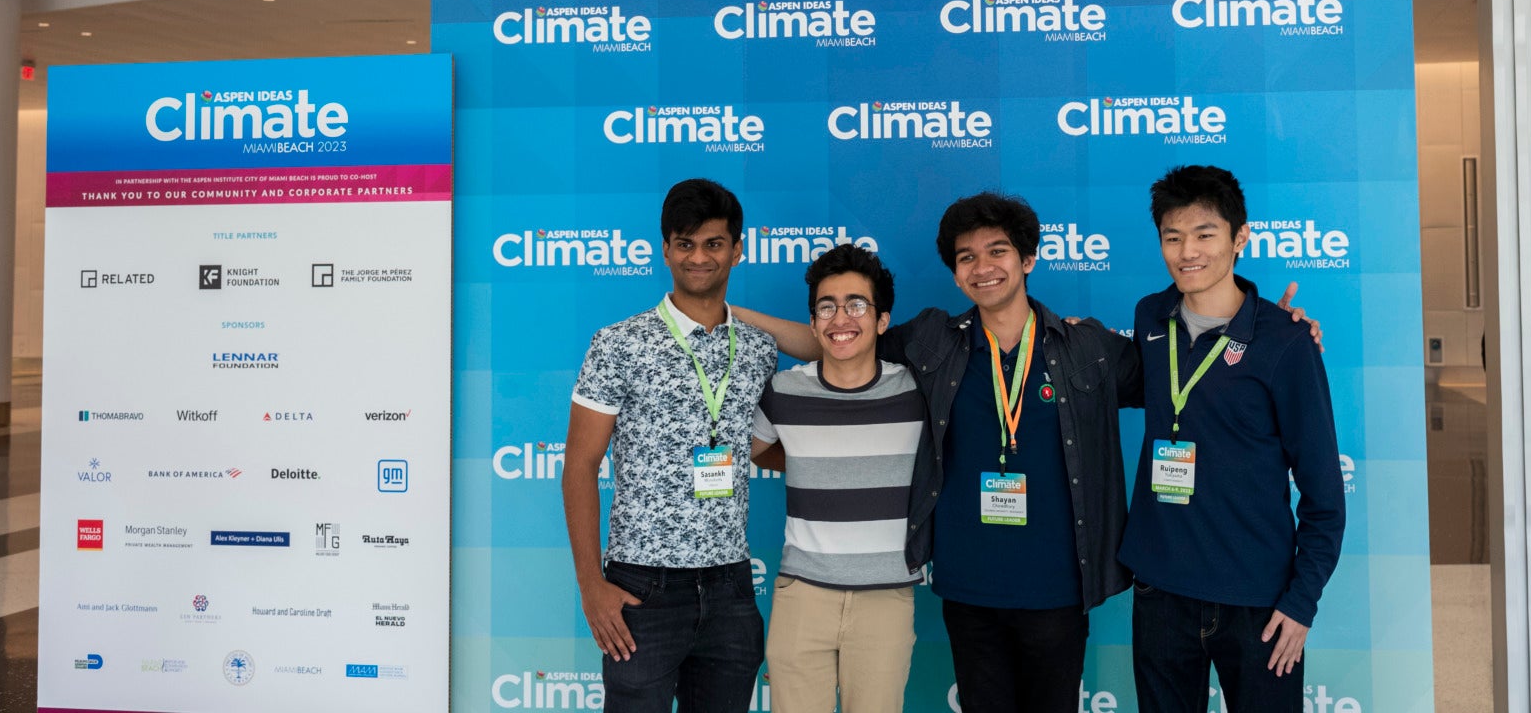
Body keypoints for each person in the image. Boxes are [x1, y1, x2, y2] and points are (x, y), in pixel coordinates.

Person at [735, 190, 1326, 713]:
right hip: (968, 587)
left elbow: (1193, 367)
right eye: (967, 257)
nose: (983, 267)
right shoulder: (935, 340)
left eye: (997, 251)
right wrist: (728, 314)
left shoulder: (1087, 347)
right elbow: (840, 340)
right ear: (956, 273)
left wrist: (1273, 329)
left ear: (1028, 259)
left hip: (1059, 589)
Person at [1117, 165, 1345, 713]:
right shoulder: (1151, 315)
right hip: (1161, 589)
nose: (1186, 251)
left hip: (1258, 602)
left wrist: (1301, 602)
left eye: (1204, 234)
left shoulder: (1287, 343)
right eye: (1172, 237)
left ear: (1240, 238)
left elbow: (1324, 496)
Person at [561, 177, 780, 713]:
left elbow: (832, 350)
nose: (698, 257)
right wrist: (592, 585)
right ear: (665, 249)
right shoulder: (619, 343)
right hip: (641, 590)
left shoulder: (757, 349)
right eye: (685, 244)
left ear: (737, 249)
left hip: (731, 587)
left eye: (713, 243)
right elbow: (580, 466)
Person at [750, 243, 926, 713]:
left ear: (882, 320)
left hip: (886, 596)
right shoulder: (784, 392)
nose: (840, 318)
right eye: (826, 307)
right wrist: (811, 464)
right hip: (801, 594)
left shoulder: (917, 392)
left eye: (856, 305)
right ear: (812, 324)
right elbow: (752, 449)